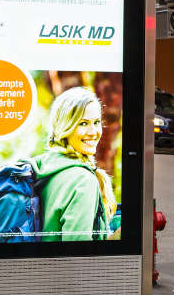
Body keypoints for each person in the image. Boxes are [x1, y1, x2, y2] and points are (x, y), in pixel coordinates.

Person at [30, 86, 118, 241]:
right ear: (65, 126)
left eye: (96, 122)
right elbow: (79, 254)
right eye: (83, 124)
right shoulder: (83, 181)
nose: (93, 132)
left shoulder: (45, 166)